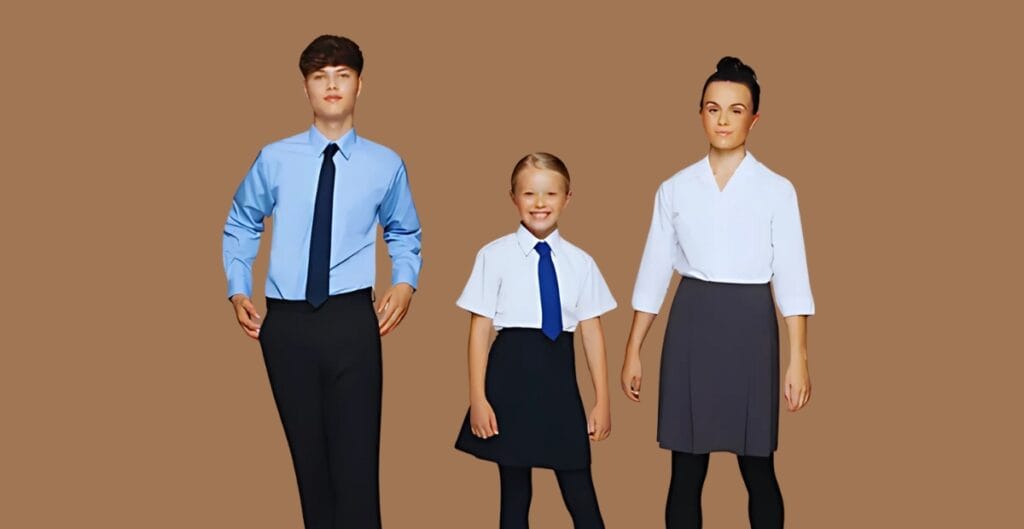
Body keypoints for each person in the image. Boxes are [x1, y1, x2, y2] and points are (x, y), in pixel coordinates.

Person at [221, 34, 422, 529]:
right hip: (285, 323)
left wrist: (405, 281)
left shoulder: (386, 163)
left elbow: (404, 231)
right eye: (319, 76)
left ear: (359, 85)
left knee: (356, 466)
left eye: (342, 75)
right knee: (309, 467)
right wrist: (238, 285)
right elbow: (243, 221)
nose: (331, 85)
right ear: (306, 88)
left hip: (352, 319)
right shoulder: (274, 158)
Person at [621, 57, 815, 529]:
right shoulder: (674, 188)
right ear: (701, 114)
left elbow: (792, 274)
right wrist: (633, 350)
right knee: (685, 468)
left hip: (752, 327)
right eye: (713, 108)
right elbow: (652, 272)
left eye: (735, 109)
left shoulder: (777, 190)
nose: (723, 119)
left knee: (758, 466)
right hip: (692, 323)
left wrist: (799, 356)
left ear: (755, 117)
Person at [453, 153, 615, 529]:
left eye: (550, 194)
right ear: (513, 197)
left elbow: (592, 332)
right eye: (529, 194)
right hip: (509, 381)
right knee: (514, 494)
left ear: (567, 198)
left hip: (559, 382)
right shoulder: (493, 256)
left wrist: (602, 400)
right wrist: (478, 398)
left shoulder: (581, 262)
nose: (540, 204)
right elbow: (480, 330)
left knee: (581, 495)